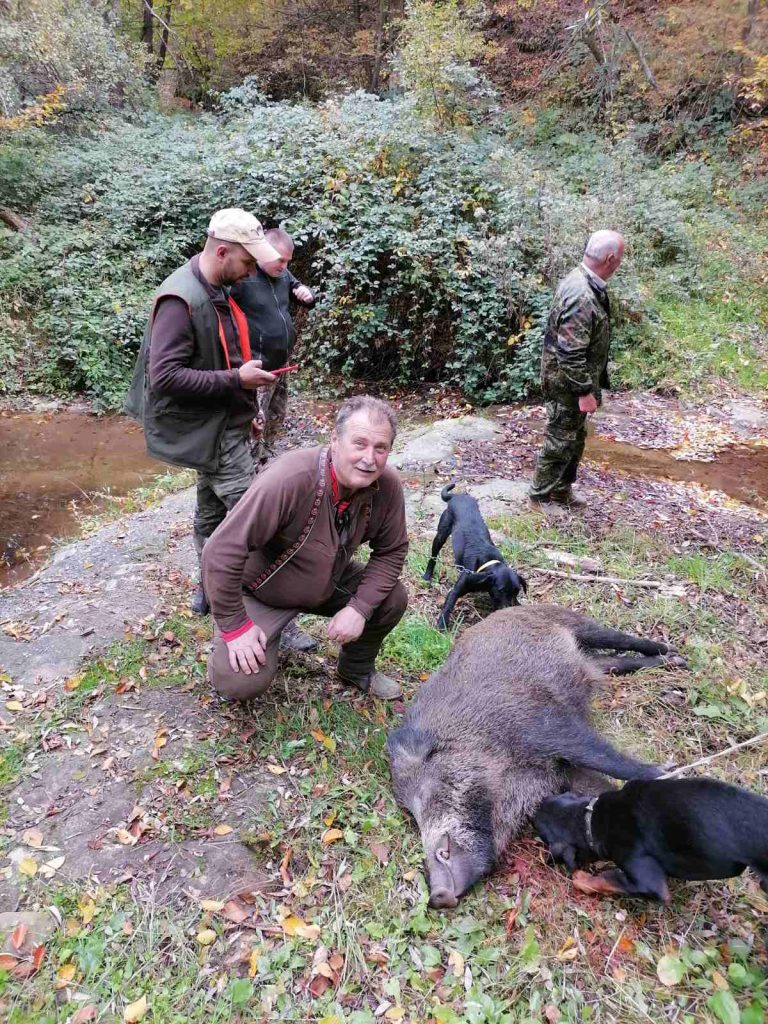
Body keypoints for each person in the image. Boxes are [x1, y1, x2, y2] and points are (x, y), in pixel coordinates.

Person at [124, 208, 280, 615]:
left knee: (210, 517)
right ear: (223, 251)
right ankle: (269, 608)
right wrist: (237, 381)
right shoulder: (181, 299)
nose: (250, 273)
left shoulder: (218, 289)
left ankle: (208, 590)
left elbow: (223, 355)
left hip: (225, 425)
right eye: (247, 262)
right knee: (258, 525)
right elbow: (166, 378)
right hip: (207, 431)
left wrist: (249, 407)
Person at [202, 396, 409, 701]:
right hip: (262, 592)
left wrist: (359, 608)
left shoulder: (386, 486)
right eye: (359, 444)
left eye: (380, 449)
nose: (370, 458)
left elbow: (391, 552)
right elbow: (220, 551)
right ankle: (247, 635)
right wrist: (235, 626)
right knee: (238, 683)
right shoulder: (289, 478)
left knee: (391, 598)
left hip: (327, 580)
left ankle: (356, 669)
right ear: (335, 440)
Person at [528, 230, 625, 507]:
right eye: (619, 259)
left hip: (574, 381)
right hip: (567, 384)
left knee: (575, 437)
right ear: (609, 259)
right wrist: (584, 391)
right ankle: (539, 498)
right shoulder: (582, 294)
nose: (619, 264)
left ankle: (561, 490)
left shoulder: (585, 280)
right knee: (559, 440)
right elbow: (569, 352)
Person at [230, 227, 315, 466]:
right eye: (281, 260)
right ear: (263, 253)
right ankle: (248, 468)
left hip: (281, 363)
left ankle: (266, 461)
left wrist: (308, 294)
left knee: (277, 415)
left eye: (288, 261)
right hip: (257, 366)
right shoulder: (244, 277)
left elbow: (301, 292)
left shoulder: (283, 275)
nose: (285, 266)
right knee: (255, 420)